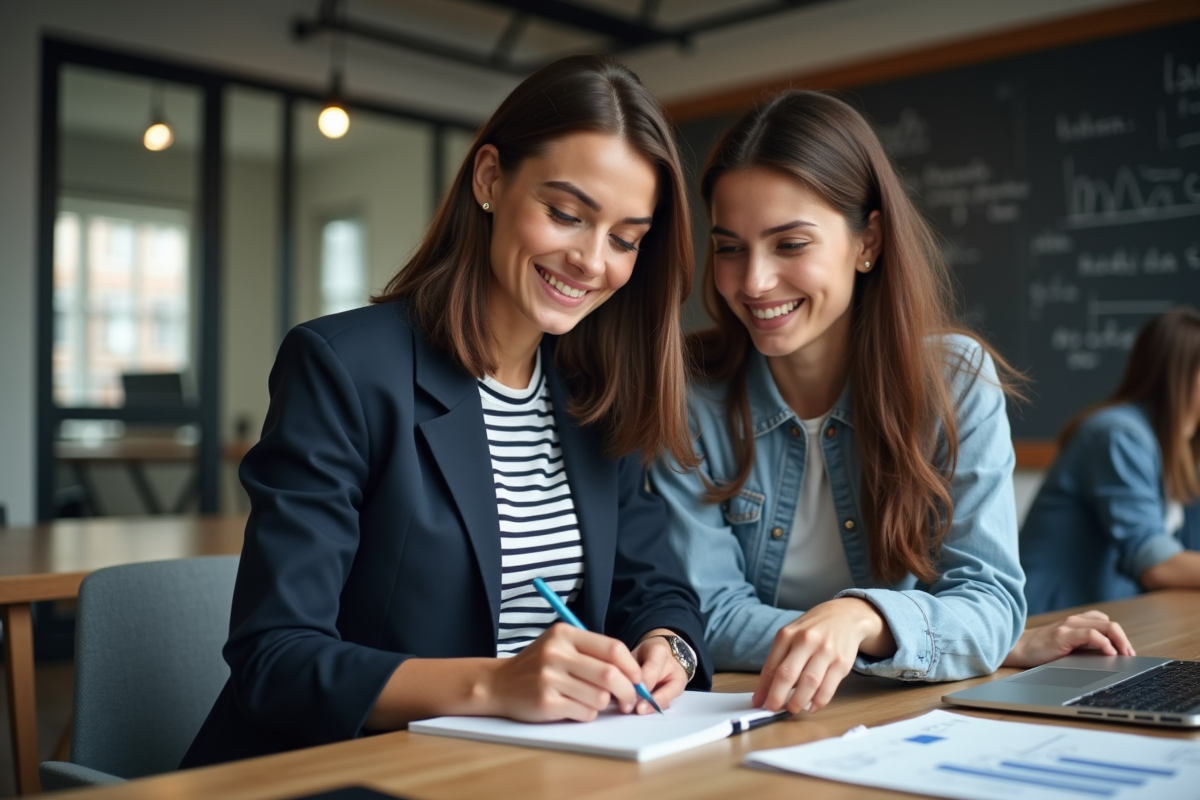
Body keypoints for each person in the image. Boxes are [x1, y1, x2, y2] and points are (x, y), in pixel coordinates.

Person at [183, 54, 712, 768]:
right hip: (346, 768)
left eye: (624, 238)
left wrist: (667, 646)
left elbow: (655, 586)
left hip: (532, 772)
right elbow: (275, 658)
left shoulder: (593, 391)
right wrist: (497, 684)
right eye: (565, 214)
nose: (591, 260)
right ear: (490, 179)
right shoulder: (342, 368)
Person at [650, 89, 1131, 718]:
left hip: (900, 718)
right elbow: (707, 619)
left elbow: (988, 599)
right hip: (753, 718)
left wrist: (866, 620)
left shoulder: (953, 381)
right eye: (731, 248)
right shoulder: (687, 394)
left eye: (790, 244)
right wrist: (939, 637)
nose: (754, 282)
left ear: (868, 240)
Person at [1021, 308, 1200, 614]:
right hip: (1046, 619)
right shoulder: (1117, 436)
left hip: (1106, 619)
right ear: (1181, 376)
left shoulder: (1176, 447)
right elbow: (1155, 563)